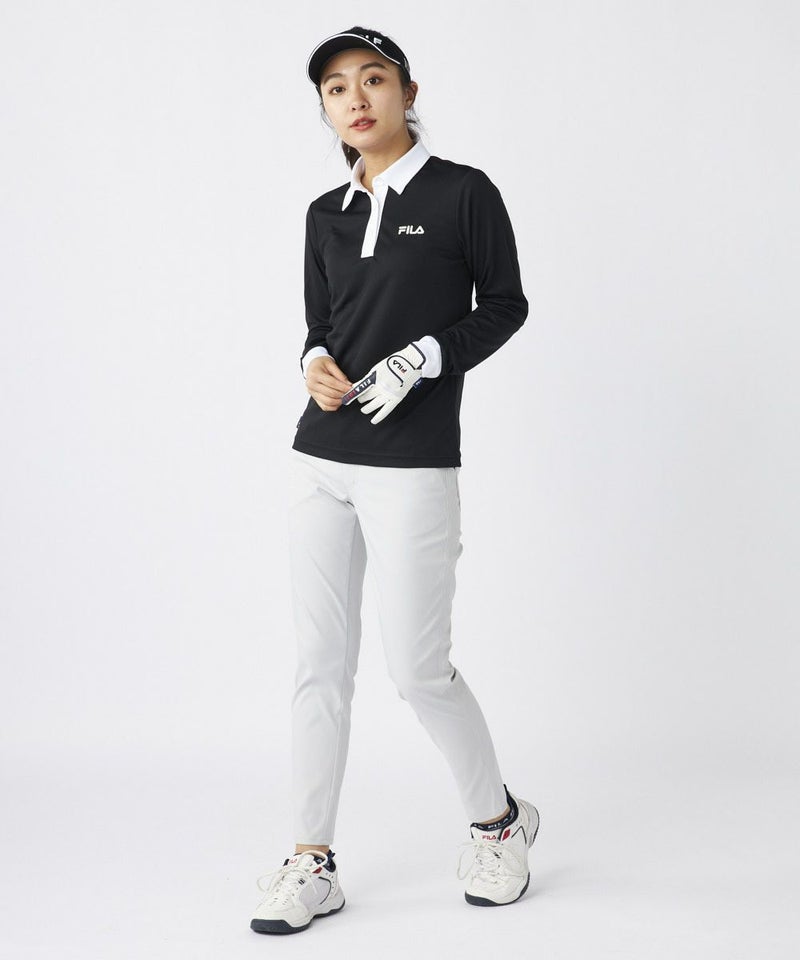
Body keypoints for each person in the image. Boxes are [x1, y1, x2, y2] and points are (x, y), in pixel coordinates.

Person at [250, 26, 539, 936]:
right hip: (321, 460)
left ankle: (500, 824)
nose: (356, 98)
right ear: (325, 109)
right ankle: (312, 860)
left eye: (373, 79)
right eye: (337, 88)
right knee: (318, 668)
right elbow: (321, 322)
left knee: (418, 672)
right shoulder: (325, 212)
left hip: (412, 463)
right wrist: (313, 362)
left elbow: (506, 305)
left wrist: (428, 356)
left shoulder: (462, 192)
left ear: (408, 91)